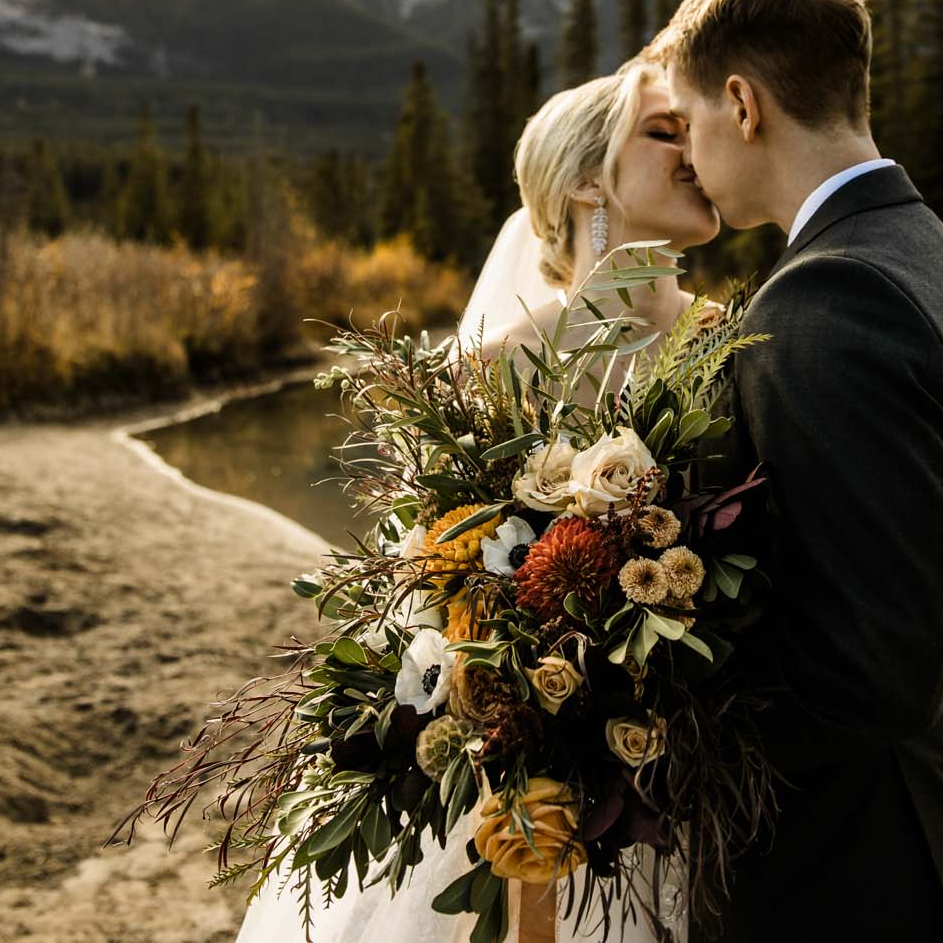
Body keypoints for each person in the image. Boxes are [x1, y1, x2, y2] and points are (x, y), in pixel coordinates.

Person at [235, 56, 718, 943]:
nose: (696, 146)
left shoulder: (726, 339)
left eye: (692, 128)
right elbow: (436, 573)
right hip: (524, 759)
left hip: (687, 763)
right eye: (663, 130)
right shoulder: (498, 367)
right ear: (583, 180)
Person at [652, 0, 943, 942]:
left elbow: (868, 671)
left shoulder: (828, 300)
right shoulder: (933, 258)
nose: (686, 154)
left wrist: (641, 690)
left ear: (742, 103)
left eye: (687, 120)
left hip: (853, 871)